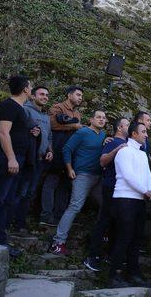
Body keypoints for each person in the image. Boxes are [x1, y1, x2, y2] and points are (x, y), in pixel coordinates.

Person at [0, 75, 33, 256]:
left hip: (17, 159)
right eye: (30, 87)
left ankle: (1, 241)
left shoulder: (19, 108)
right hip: (6, 159)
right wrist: (11, 158)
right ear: (25, 89)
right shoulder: (9, 106)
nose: (31, 90)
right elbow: (4, 133)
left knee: (8, 201)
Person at [49, 110, 107, 255]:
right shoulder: (83, 132)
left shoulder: (103, 135)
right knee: (75, 206)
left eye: (104, 118)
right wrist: (69, 168)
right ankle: (58, 242)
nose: (101, 120)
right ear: (91, 119)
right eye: (98, 117)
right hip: (83, 175)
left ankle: (103, 235)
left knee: (106, 205)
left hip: (98, 176)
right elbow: (67, 149)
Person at [109, 121, 151, 288]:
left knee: (136, 239)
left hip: (140, 200)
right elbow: (127, 175)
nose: (146, 134)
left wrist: (150, 189)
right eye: (143, 132)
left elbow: (148, 174)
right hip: (124, 199)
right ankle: (114, 274)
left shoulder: (142, 154)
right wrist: (144, 190)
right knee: (123, 238)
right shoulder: (124, 151)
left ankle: (133, 273)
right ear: (134, 134)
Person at [84, 117, 129, 271]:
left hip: (124, 189)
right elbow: (103, 161)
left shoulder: (130, 143)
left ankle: (112, 256)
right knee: (104, 220)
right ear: (119, 128)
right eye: (127, 125)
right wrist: (116, 149)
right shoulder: (112, 142)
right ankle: (93, 255)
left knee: (118, 223)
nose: (129, 127)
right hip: (110, 186)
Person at [13, 85, 53, 235]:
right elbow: (16, 131)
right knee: (21, 191)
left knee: (30, 193)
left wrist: (50, 150)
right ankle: (13, 224)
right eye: (41, 94)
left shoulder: (46, 117)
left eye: (47, 95)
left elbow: (49, 136)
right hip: (26, 159)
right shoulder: (25, 110)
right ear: (33, 96)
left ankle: (21, 223)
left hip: (40, 160)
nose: (45, 97)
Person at [41, 85, 83, 226]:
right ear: (69, 95)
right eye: (78, 95)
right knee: (51, 182)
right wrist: (73, 126)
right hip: (56, 150)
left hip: (70, 154)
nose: (80, 98)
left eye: (81, 96)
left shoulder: (77, 114)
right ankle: (46, 216)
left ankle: (59, 216)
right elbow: (51, 124)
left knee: (64, 185)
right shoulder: (57, 107)